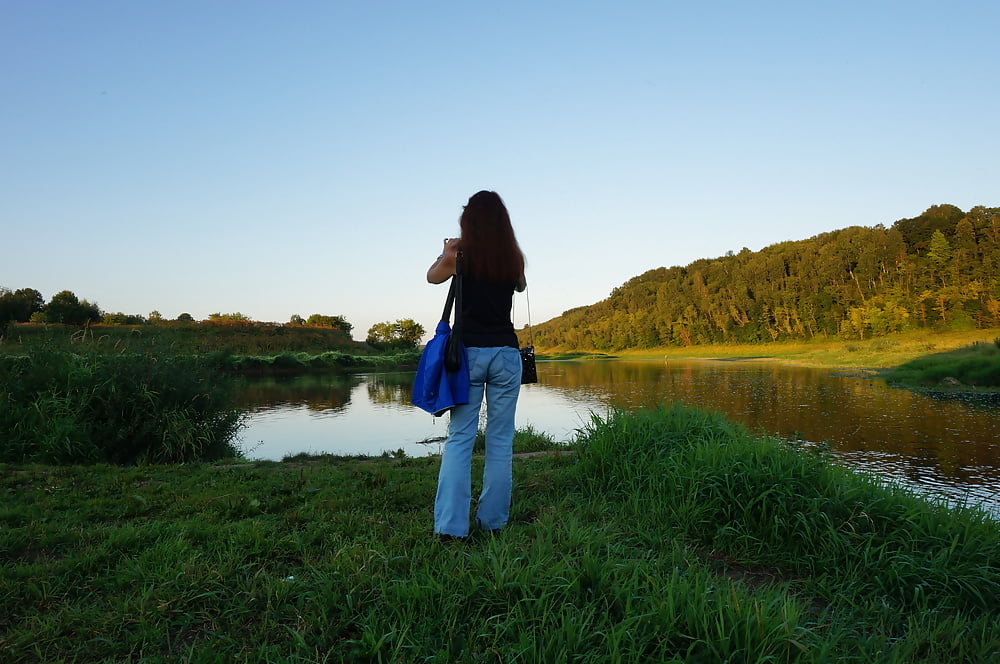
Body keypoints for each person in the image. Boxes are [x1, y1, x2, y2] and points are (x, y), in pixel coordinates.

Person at [426, 190, 527, 540]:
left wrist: (446, 251)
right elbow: (520, 285)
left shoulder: (460, 256)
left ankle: (452, 528)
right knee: (500, 440)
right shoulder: (513, 257)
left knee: (460, 438)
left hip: (466, 354)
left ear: (468, 221)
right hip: (506, 354)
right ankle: (493, 522)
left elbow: (432, 277)